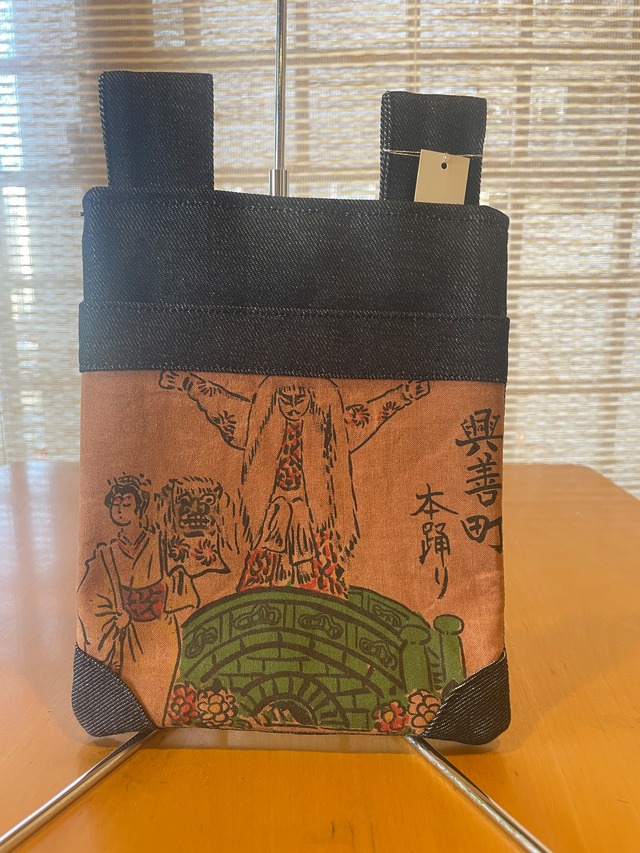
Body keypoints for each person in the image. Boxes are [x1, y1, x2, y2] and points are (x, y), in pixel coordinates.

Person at [160, 372, 430, 598]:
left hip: (315, 516)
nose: (292, 407)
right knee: (265, 564)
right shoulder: (258, 425)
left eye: (299, 400)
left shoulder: (330, 427)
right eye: (285, 400)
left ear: (312, 400)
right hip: (273, 512)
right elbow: (220, 402)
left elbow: (373, 413)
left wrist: (406, 394)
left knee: (318, 574)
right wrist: (188, 382)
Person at [77, 475, 197, 724]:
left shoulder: (161, 544)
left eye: (127, 503)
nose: (120, 508)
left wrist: (167, 597)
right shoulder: (106, 554)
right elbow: (90, 597)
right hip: (125, 635)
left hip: (162, 631)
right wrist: (115, 619)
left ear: (140, 507)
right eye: (116, 503)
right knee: (129, 688)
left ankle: (160, 719)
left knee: (163, 690)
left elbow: (185, 584)